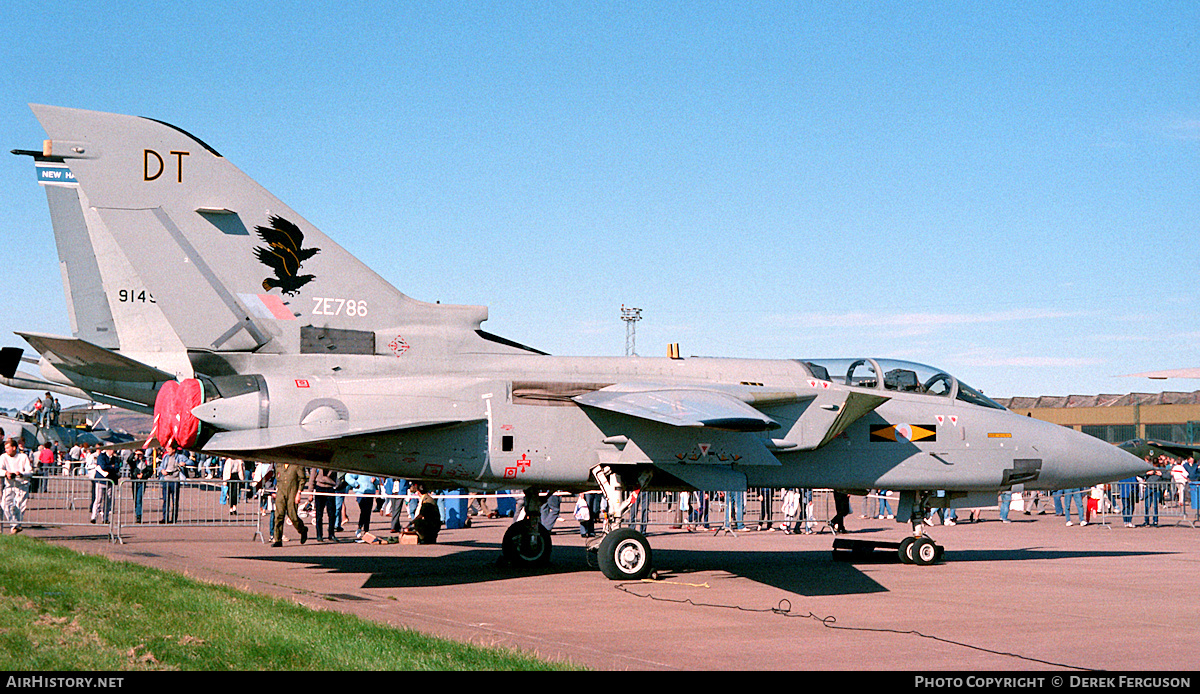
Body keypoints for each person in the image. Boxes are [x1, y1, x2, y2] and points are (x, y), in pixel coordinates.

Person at [0, 438, 33, 533]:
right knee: (5, 504)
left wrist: (21, 474)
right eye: (5, 448)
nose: (6, 450)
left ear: (14, 448)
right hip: (10, 485)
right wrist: (6, 473)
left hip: (22, 484)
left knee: (20, 506)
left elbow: (29, 471)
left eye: (7, 448)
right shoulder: (3, 457)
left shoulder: (23, 457)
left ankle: (16, 526)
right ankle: (14, 524)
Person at [272, 463, 308, 547]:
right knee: (278, 516)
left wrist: (299, 492)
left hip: (292, 492)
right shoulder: (279, 465)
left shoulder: (296, 465)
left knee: (293, 516)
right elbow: (276, 478)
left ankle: (302, 530)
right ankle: (278, 539)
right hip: (281, 492)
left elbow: (302, 479)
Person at [307, 468, 339, 542]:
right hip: (320, 488)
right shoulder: (318, 464)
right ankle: (319, 535)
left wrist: (337, 484)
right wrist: (310, 492)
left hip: (330, 488)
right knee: (319, 513)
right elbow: (312, 477)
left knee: (332, 513)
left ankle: (331, 534)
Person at [345, 473, 377, 541]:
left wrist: (375, 480)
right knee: (364, 511)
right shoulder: (360, 470)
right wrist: (356, 484)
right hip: (361, 493)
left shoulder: (372, 469)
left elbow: (378, 480)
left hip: (370, 493)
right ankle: (359, 528)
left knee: (368, 512)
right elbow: (348, 476)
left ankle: (366, 531)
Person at [158, 445, 186, 524]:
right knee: (165, 500)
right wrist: (162, 470)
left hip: (175, 481)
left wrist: (183, 463)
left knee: (175, 500)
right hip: (166, 480)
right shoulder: (165, 457)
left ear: (174, 450)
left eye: (169, 449)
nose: (167, 450)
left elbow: (190, 461)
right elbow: (161, 466)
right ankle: (165, 518)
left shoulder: (180, 457)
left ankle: (174, 518)